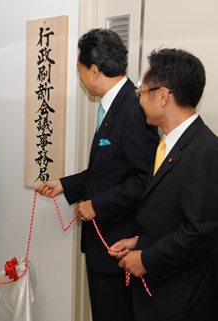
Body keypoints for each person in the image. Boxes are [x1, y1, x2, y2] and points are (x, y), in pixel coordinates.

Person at [35, 28, 159, 321]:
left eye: (79, 70)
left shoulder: (132, 107)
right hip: (106, 243)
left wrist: (96, 205)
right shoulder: (116, 104)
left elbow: (144, 179)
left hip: (117, 244)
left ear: (93, 71)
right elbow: (110, 169)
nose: (79, 77)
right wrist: (65, 185)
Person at [109, 48, 218, 320]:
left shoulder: (203, 150)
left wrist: (146, 259)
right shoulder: (170, 143)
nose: (139, 101)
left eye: (141, 93)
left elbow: (199, 230)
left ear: (162, 96)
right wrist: (139, 241)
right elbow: (173, 215)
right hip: (158, 294)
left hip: (181, 300)